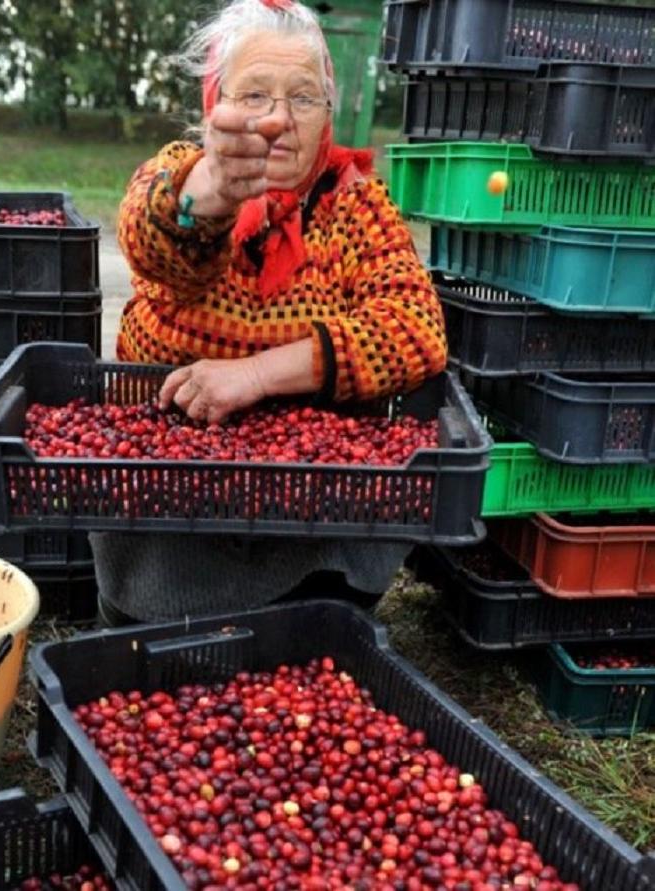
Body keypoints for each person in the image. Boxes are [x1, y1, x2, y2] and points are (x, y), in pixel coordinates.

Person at [90, 0, 447, 625]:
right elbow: (151, 240)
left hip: (310, 503)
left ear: (328, 113)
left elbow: (415, 329)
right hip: (175, 496)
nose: (278, 119)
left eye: (303, 98)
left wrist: (256, 375)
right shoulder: (182, 177)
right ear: (215, 104)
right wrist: (211, 194)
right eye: (254, 94)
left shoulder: (357, 206)